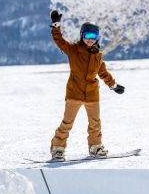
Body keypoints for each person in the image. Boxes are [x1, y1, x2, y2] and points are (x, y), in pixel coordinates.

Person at [49, 10, 124, 161]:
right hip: (74, 93)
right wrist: (56, 26)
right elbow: (60, 41)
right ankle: (58, 148)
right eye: (87, 36)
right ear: (82, 35)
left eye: (94, 37)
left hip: (92, 94)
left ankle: (95, 147)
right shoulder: (73, 50)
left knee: (95, 124)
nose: (90, 40)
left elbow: (102, 72)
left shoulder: (97, 55)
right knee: (67, 123)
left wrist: (113, 85)